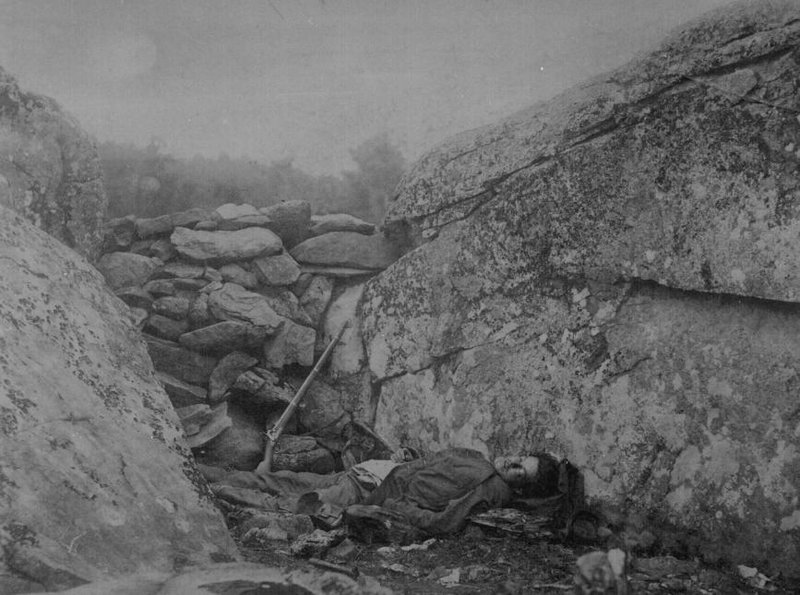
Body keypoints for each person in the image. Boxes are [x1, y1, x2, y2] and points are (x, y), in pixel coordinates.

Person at [205, 446, 563, 541]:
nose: (513, 462)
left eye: (521, 471)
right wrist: (402, 461)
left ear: (521, 487)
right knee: (281, 478)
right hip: (368, 472)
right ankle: (196, 472)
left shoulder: (492, 488)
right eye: (521, 458)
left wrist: (397, 506)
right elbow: (428, 464)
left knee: (282, 499)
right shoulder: (478, 458)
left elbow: (444, 522)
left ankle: (204, 490)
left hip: (367, 493)